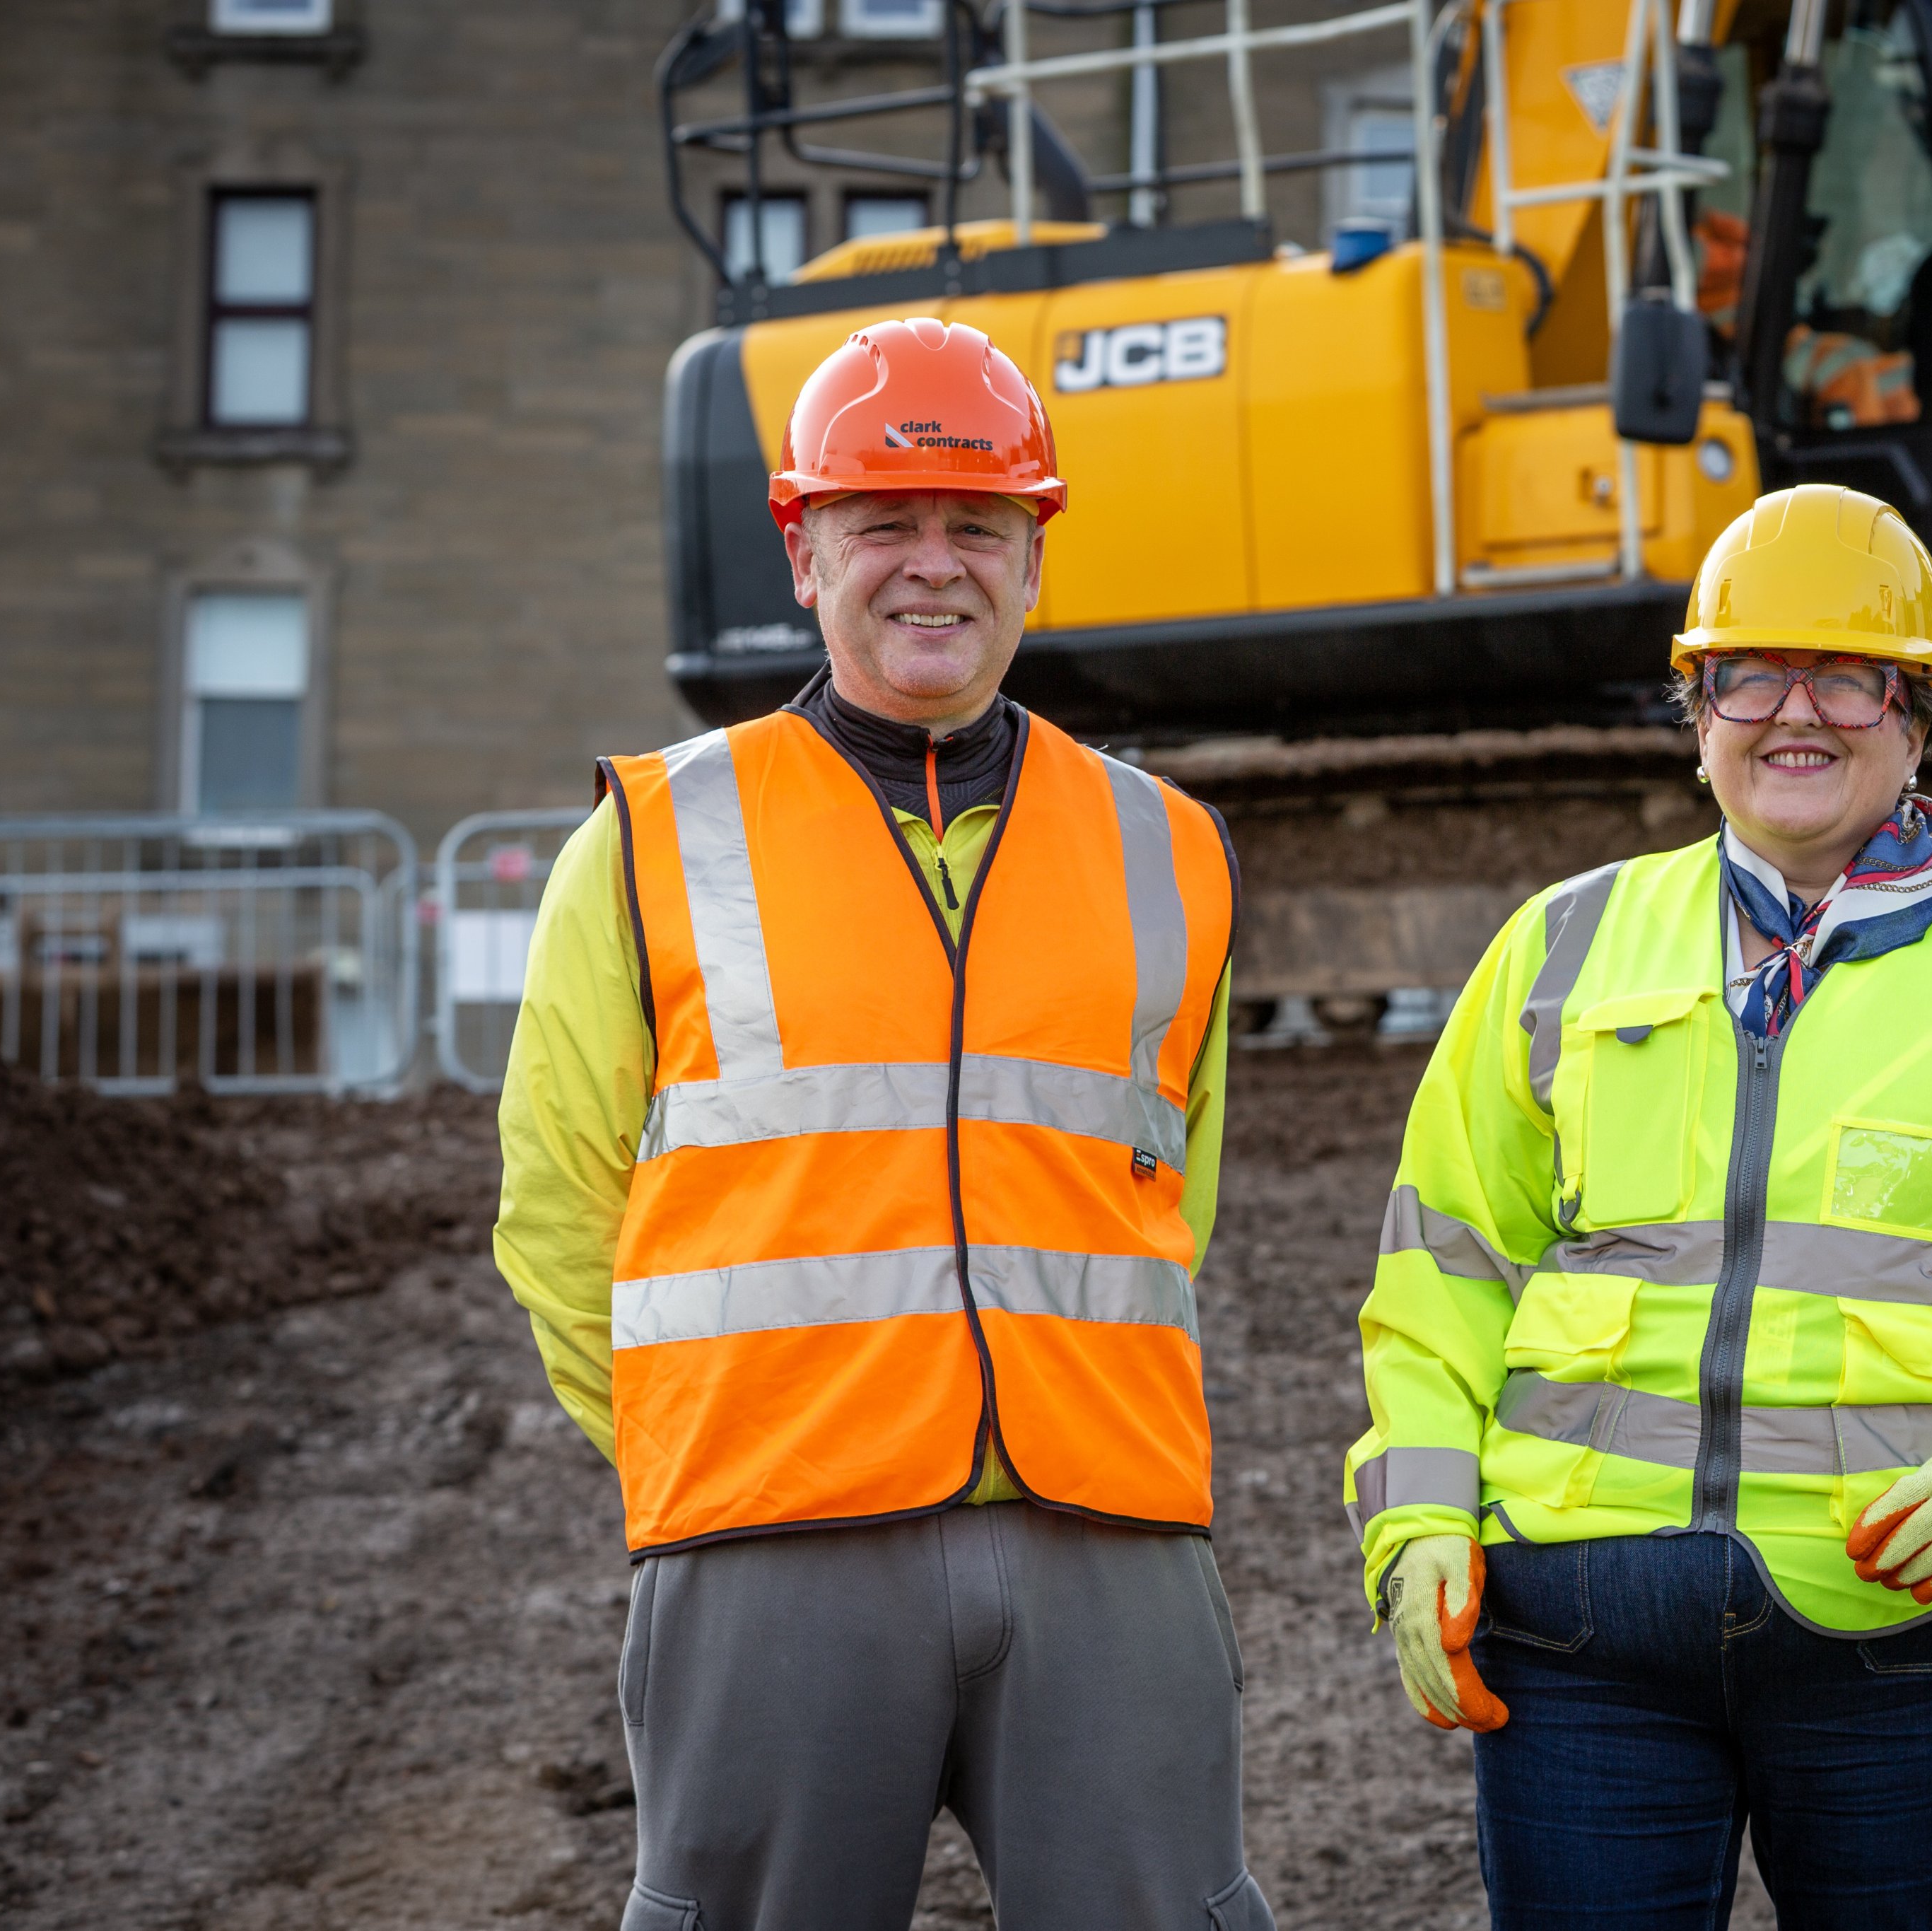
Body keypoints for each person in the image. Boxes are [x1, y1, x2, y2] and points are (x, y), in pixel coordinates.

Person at [1344, 484, 1932, 1928]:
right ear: (1697, 711)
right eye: (1748, 673)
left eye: (1846, 675)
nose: (1792, 713)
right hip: (1578, 1633)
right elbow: (1442, 1273)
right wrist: (1420, 1512)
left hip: (1911, 1631)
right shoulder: (1560, 942)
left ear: (1916, 713)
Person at [495, 317, 1270, 1931]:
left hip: (1106, 1531)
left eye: (977, 524)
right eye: (881, 524)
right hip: (773, 1531)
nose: (933, 565)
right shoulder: (650, 840)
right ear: (803, 552)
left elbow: (1168, 1202)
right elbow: (558, 1212)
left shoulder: (1170, 848)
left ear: (1034, 556)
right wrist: (713, 1447)